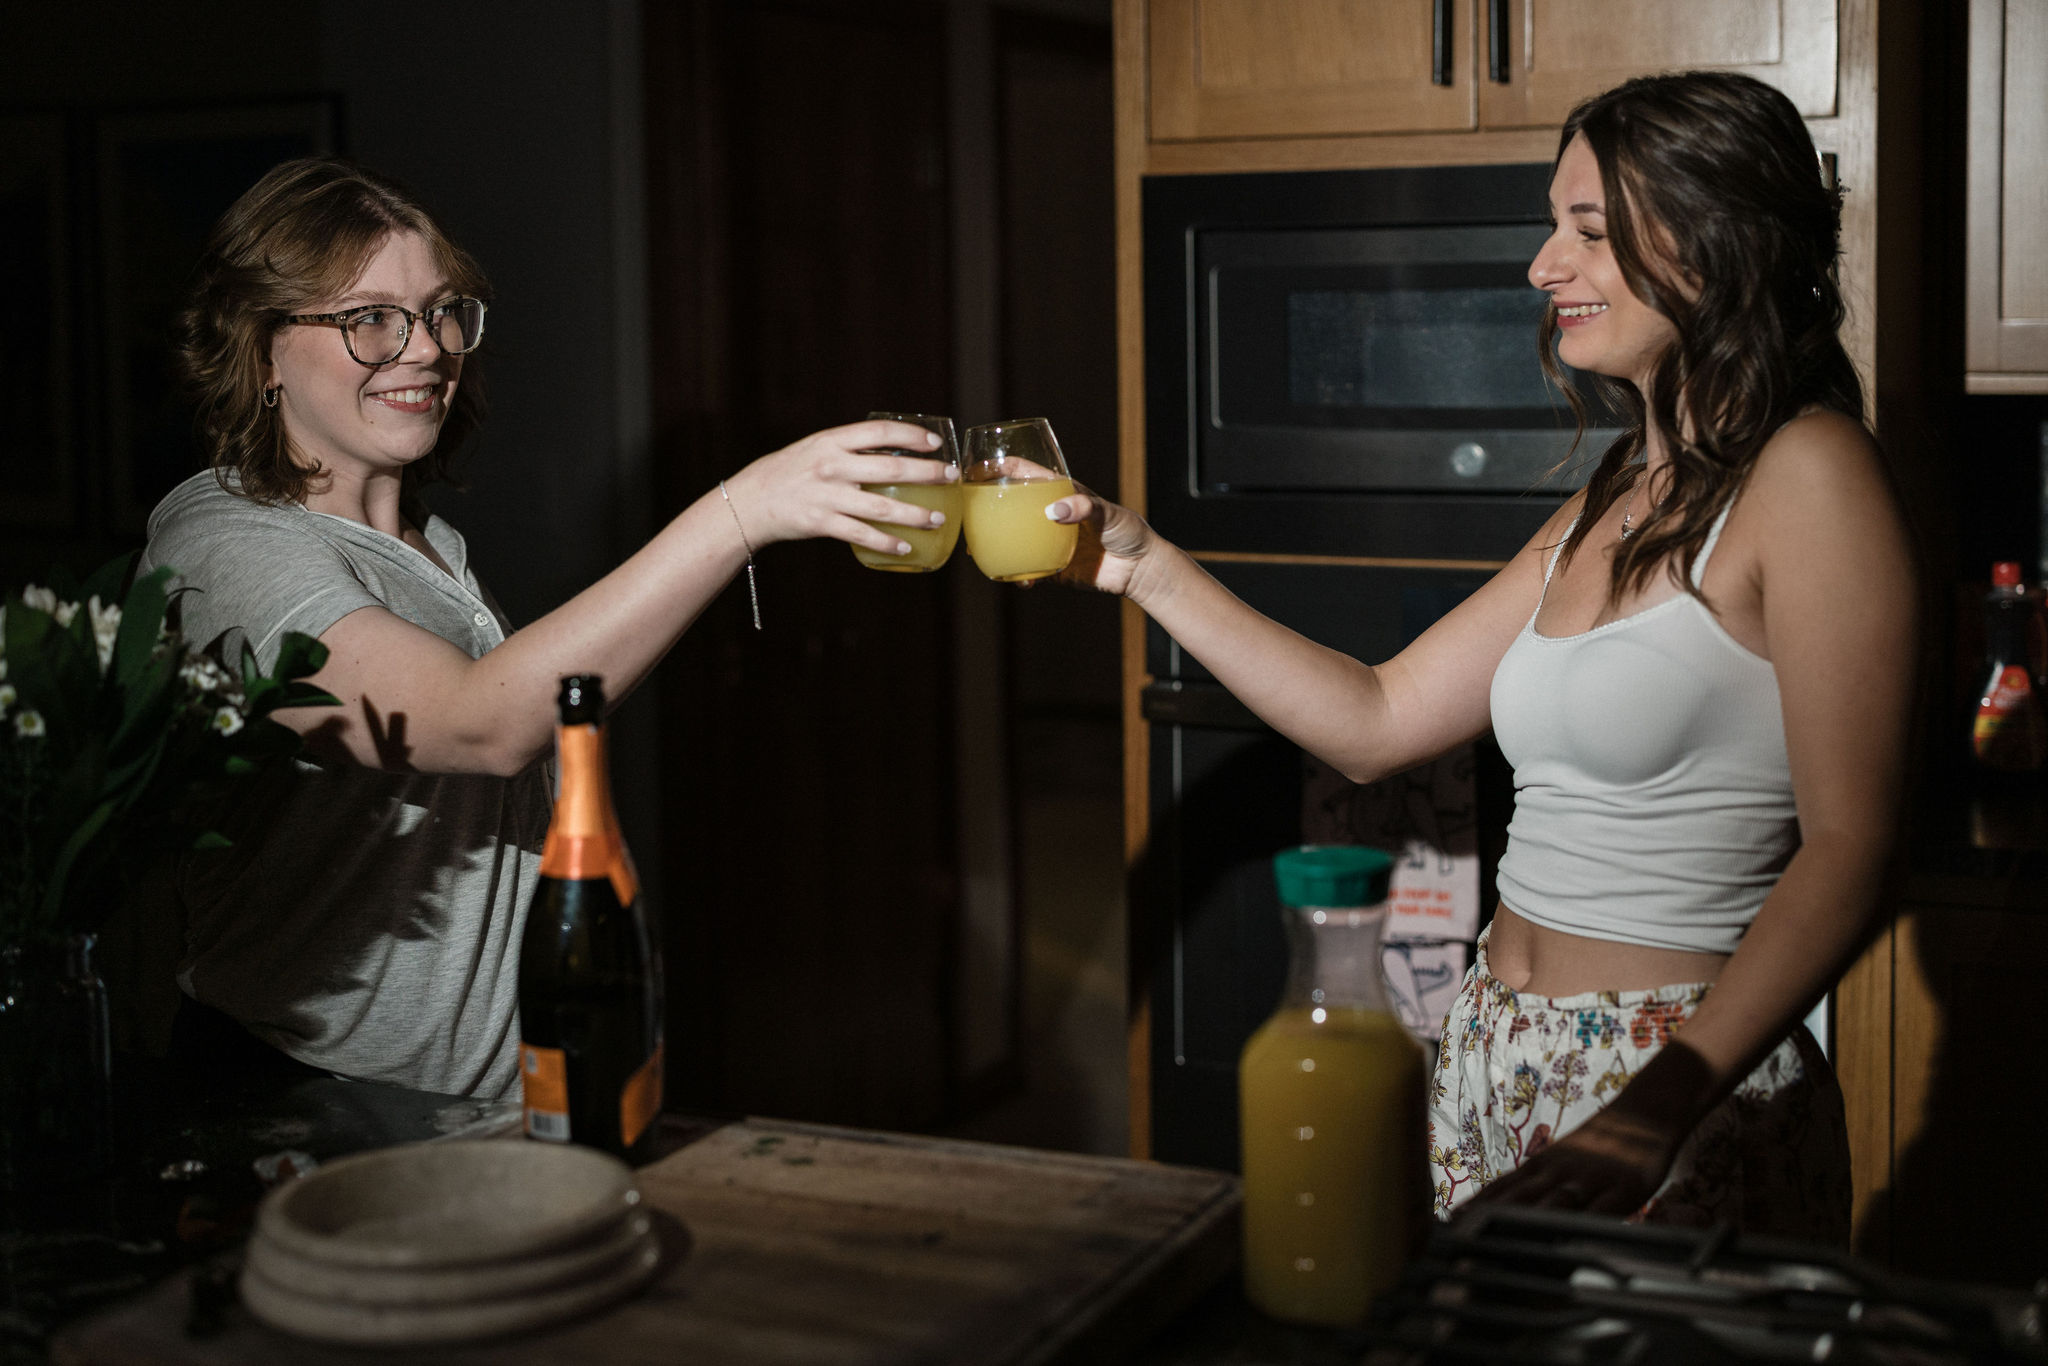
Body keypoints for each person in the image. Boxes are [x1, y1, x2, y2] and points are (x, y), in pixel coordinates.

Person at [1050, 71, 1916, 1240]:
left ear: (1714, 245)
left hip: (1673, 1084)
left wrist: (1657, 1103)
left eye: (1587, 230)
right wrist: (1139, 562)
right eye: (1550, 225)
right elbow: (1376, 715)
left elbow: (1852, 846)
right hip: (1493, 1055)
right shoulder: (1618, 490)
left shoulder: (1808, 475)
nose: (1540, 266)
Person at [140, 157, 957, 1100]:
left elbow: (533, 735)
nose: (426, 349)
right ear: (260, 348)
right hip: (312, 1101)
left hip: (480, 1098)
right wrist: (742, 513)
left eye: (443, 311)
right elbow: (478, 725)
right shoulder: (221, 546)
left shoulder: (428, 546)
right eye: (369, 319)